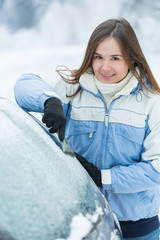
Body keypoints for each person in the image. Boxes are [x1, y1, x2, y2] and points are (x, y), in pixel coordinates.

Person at [14, 18, 160, 239]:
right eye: (98, 57)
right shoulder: (74, 89)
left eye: (115, 58)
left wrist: (103, 178)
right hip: (84, 225)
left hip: (137, 229)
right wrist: (49, 101)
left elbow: (156, 169)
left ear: (131, 58)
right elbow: (23, 85)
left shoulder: (151, 102)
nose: (105, 67)